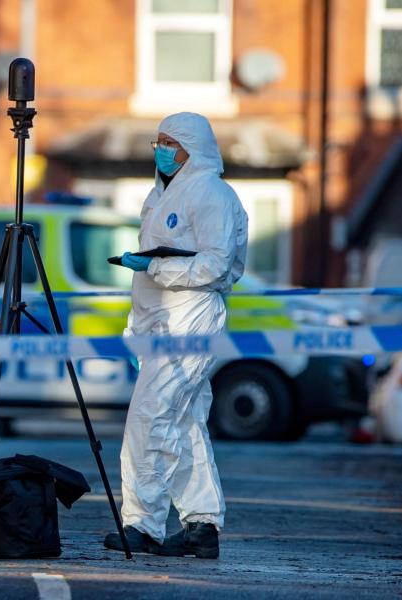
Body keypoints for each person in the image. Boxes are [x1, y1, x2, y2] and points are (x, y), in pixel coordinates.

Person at [104, 112, 248, 559]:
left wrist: (157, 266)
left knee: (149, 422)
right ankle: (202, 527)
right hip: (160, 325)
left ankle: (143, 524)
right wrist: (137, 327)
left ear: (193, 148)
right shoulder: (160, 194)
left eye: (170, 142)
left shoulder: (212, 194)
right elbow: (151, 275)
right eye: (158, 142)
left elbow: (215, 265)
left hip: (191, 322)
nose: (161, 150)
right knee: (183, 424)